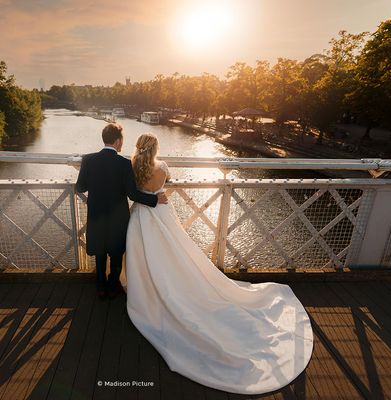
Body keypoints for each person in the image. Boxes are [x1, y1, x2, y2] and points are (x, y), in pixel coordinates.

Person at [124, 133, 314, 395]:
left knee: (144, 255)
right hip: (162, 212)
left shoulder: (133, 167)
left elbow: (133, 190)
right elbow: (163, 185)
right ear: (156, 147)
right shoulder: (163, 167)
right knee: (176, 253)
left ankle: (145, 288)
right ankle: (175, 283)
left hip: (140, 216)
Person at [75, 123, 168, 300]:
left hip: (96, 217)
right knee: (116, 254)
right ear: (118, 141)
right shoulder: (124, 164)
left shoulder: (88, 160)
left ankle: (100, 287)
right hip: (118, 218)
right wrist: (155, 199)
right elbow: (132, 194)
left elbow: (80, 187)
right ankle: (113, 286)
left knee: (100, 254)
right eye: (122, 140)